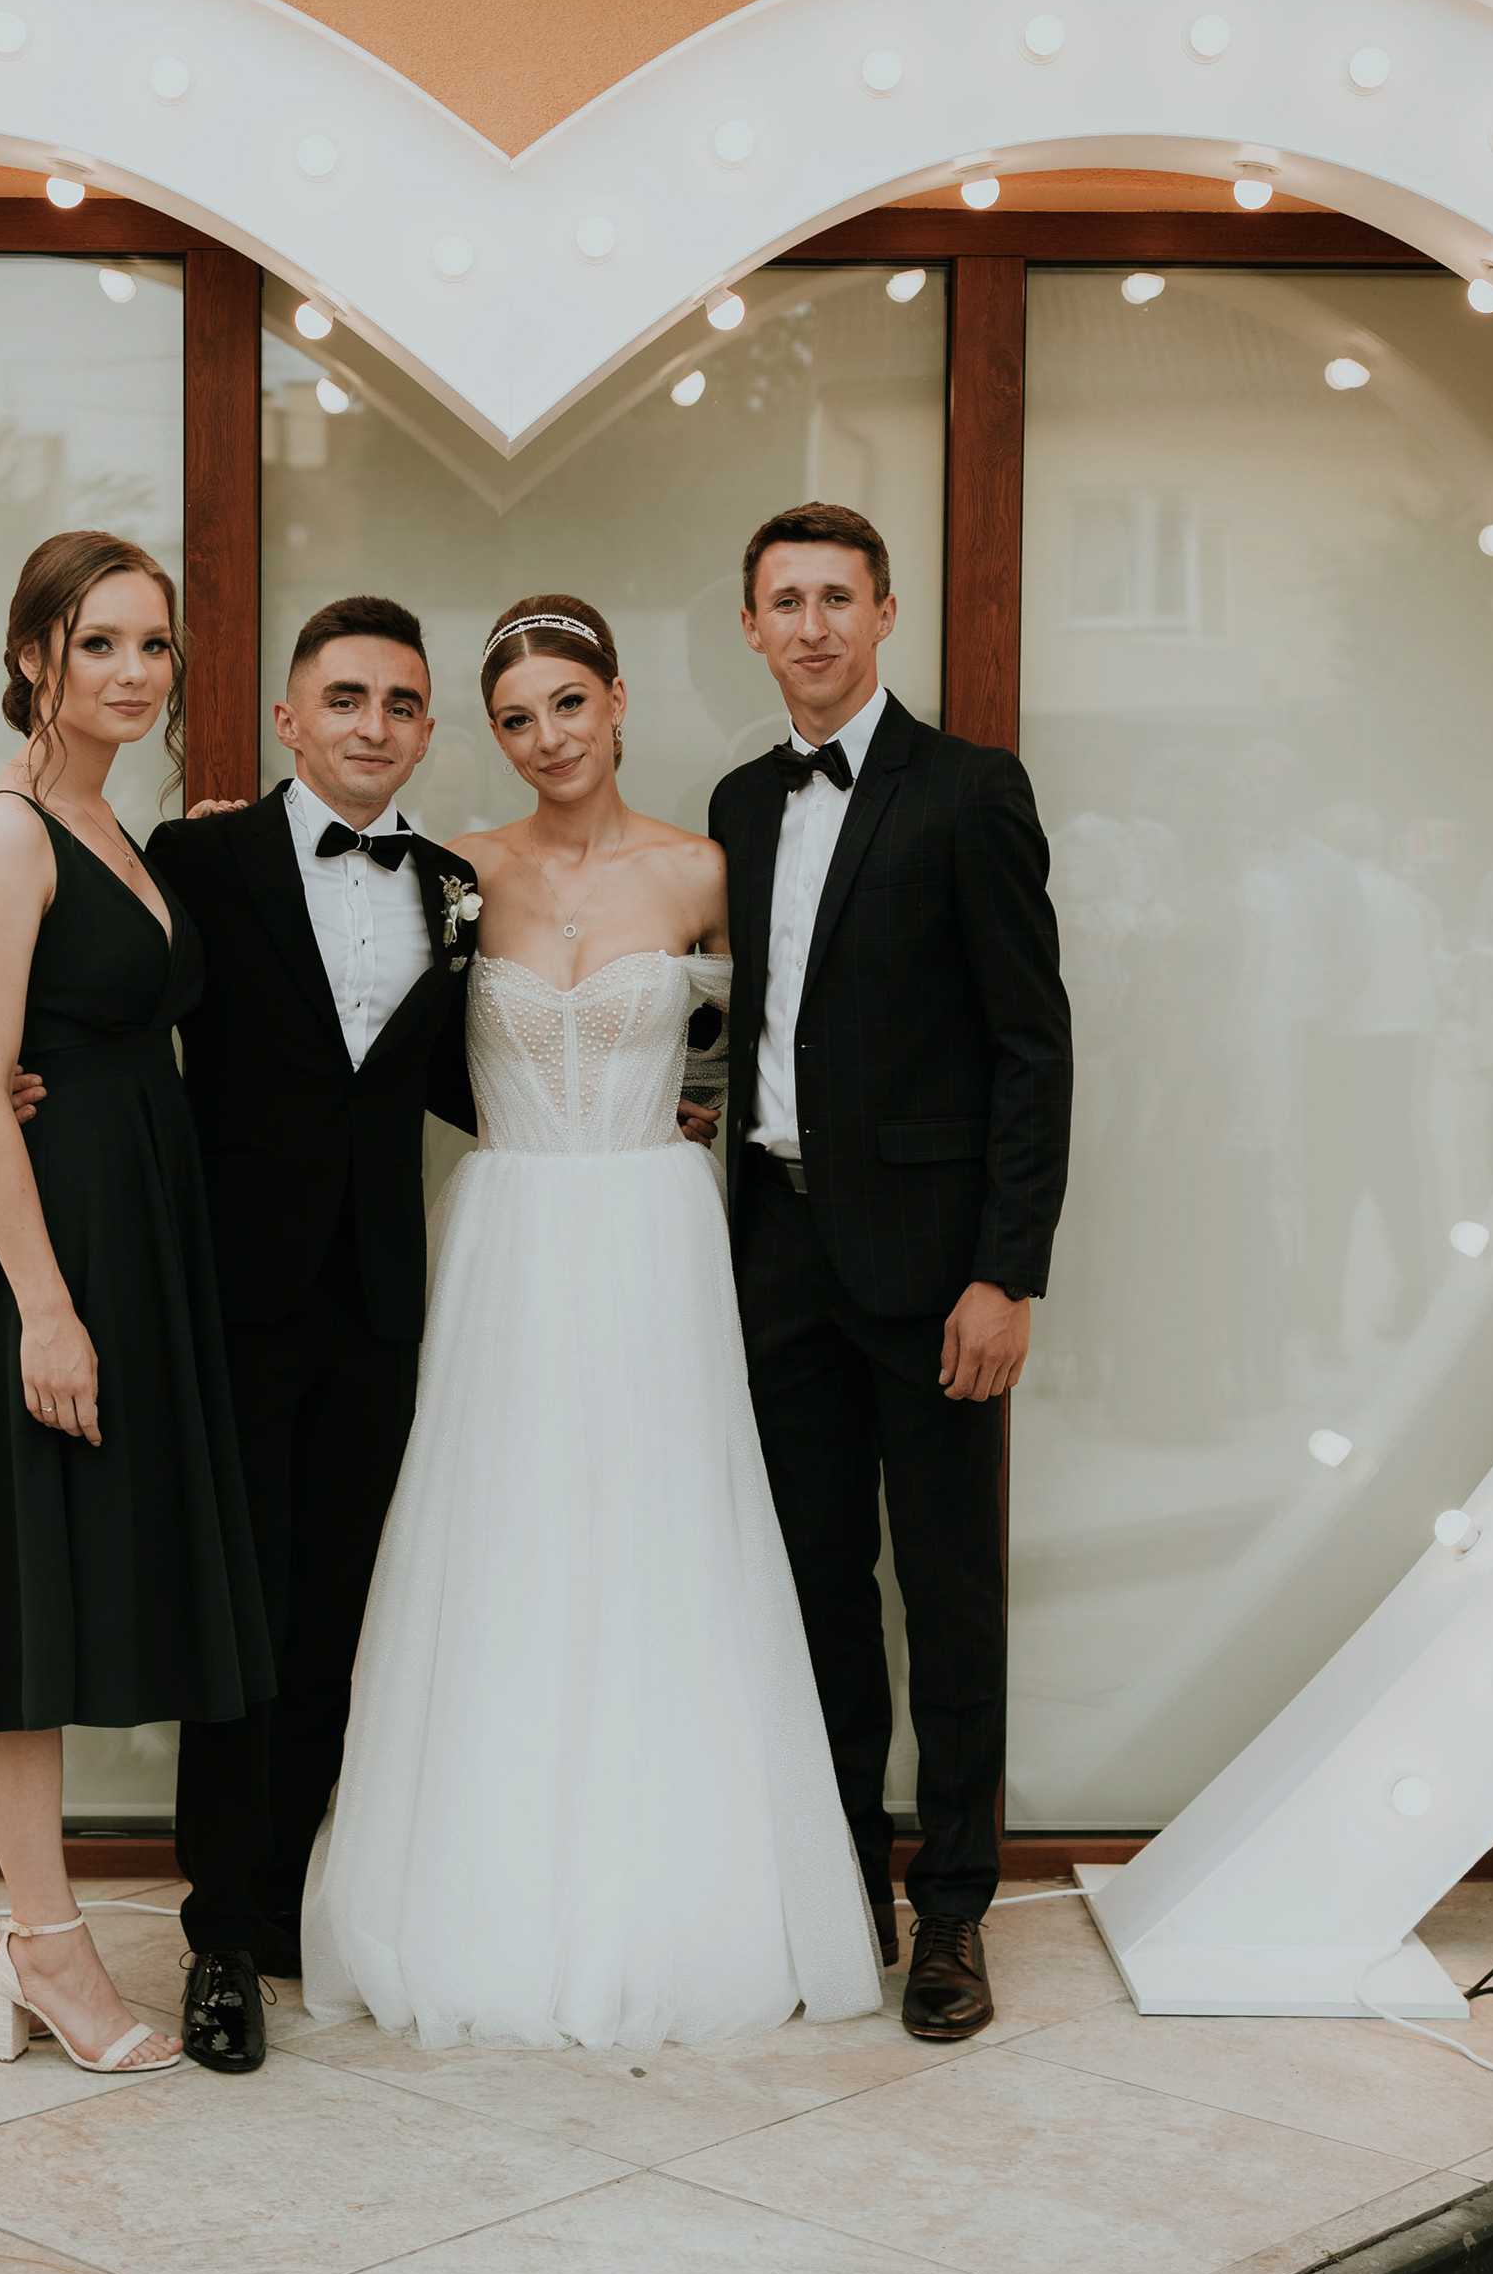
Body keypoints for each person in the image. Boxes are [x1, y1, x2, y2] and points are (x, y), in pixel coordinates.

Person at [303, 594, 880, 2051]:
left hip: (649, 1232)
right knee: (503, 1532)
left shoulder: (703, 870)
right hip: (509, 1234)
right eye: (516, 718)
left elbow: (793, 1026)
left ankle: (683, 1888)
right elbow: (343, 1001)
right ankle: (478, 1889)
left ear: (618, 701)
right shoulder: (454, 874)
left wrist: (711, 1107)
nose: (547, 737)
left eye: (569, 703)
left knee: (660, 1531)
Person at [0, 530, 265, 2076]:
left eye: (154, 645)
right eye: (99, 644)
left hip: (131, 1227)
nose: (134, 673)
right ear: (34, 656)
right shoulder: (5, 827)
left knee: (48, 1582)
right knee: (27, 1607)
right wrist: (45, 1308)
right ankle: (48, 1941)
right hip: (49, 1251)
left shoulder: (108, 823)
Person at [708, 504, 1072, 2043]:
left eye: (835, 599)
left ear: (885, 614)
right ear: (751, 628)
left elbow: (1031, 1046)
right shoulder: (736, 803)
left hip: (934, 1274)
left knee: (949, 1593)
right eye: (784, 601)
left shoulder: (972, 790)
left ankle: (957, 1908)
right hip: (775, 1255)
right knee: (813, 1590)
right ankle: (842, 1878)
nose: (811, 625)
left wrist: (1006, 1272)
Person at [139, 596, 479, 2073]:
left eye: (400, 704)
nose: (371, 725)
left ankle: (287, 1901)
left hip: (382, 1302)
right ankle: (218, 1934)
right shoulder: (194, 857)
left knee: (338, 1613)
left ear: (425, 732)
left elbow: (458, 1072)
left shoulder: (457, 888)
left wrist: (649, 1100)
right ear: (289, 719)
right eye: (345, 697)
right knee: (240, 1622)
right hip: (230, 1296)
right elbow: (117, 1006)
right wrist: (6, 1074)